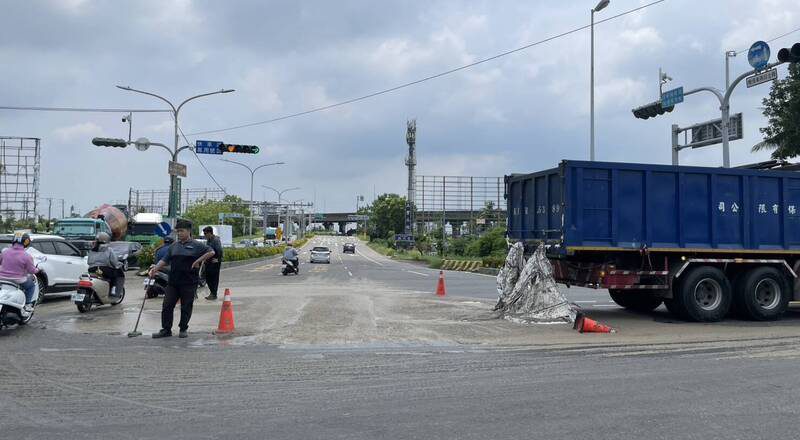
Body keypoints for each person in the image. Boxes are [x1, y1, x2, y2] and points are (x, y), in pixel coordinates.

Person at [149, 219, 215, 339]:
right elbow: (164, 260)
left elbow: (211, 252)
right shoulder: (174, 246)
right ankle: (166, 329)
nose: (179, 233)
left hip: (189, 282)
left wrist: (198, 261)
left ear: (188, 231)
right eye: (177, 231)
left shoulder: (197, 245)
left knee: (186, 306)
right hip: (173, 281)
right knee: (167, 305)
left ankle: (183, 328)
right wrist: (155, 269)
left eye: (181, 231)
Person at [0, 233, 39, 315]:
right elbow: (32, 270)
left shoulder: (5, 252)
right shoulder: (26, 256)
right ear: (26, 242)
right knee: (31, 286)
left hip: (2, 278)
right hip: (17, 279)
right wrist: (38, 270)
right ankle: (28, 304)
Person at [86, 232, 125, 297]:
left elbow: (88, 261)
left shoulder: (92, 249)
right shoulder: (108, 249)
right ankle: (113, 291)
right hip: (103, 269)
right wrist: (118, 265)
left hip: (91, 269)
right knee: (117, 275)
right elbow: (114, 262)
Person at [202, 226, 223, 301]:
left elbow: (219, 251)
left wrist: (218, 259)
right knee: (207, 278)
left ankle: (214, 294)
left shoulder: (215, 240)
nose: (204, 235)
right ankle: (212, 293)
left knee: (214, 278)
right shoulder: (209, 240)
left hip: (215, 262)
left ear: (210, 233)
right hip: (208, 262)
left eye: (205, 233)